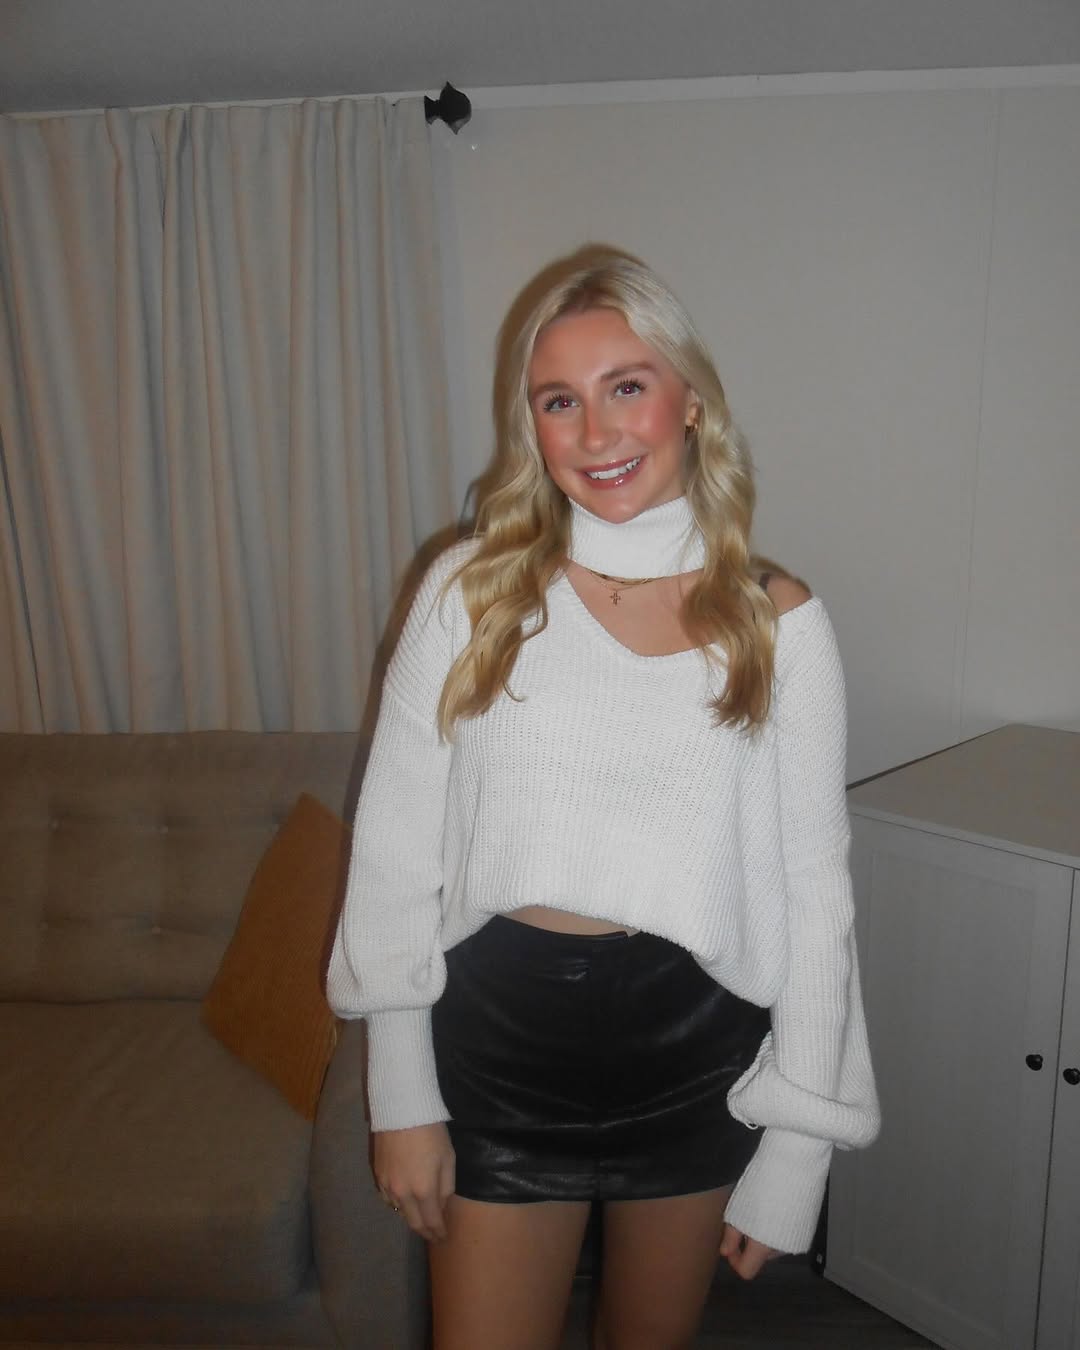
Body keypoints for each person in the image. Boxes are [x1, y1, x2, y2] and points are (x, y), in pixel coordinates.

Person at [327, 245, 880, 1350]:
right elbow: (393, 852)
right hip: (498, 1044)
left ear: (691, 402)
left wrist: (799, 1146)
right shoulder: (469, 591)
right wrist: (403, 1094)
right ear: (530, 426)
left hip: (694, 1052)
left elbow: (816, 895)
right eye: (558, 401)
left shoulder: (777, 622)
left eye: (626, 386)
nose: (595, 432)